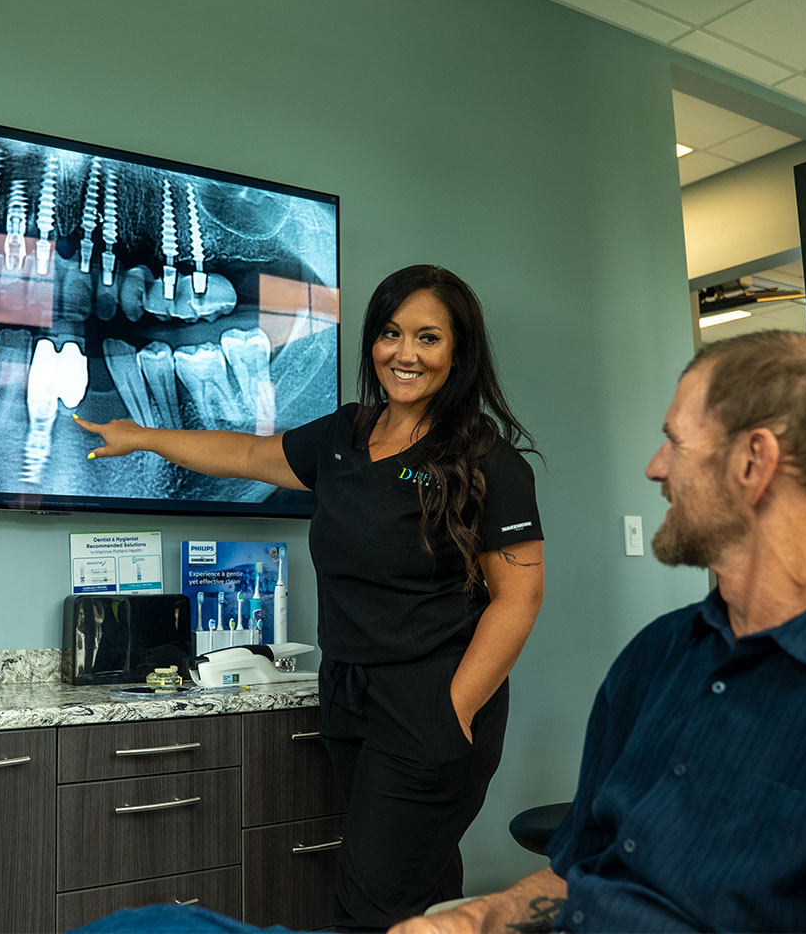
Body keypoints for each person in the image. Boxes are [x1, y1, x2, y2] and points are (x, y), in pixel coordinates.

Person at [74, 264, 545, 932]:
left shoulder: (489, 462)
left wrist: (453, 710)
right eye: (389, 332)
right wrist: (142, 435)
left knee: (369, 901)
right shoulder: (345, 436)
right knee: (423, 880)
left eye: (428, 337)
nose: (404, 353)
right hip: (349, 694)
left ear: (458, 351)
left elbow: (517, 600)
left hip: (430, 699)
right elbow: (243, 454)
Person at [390, 329, 806, 934]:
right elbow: (578, 870)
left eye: (675, 443)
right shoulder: (658, 654)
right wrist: (479, 918)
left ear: (753, 461)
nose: (654, 468)